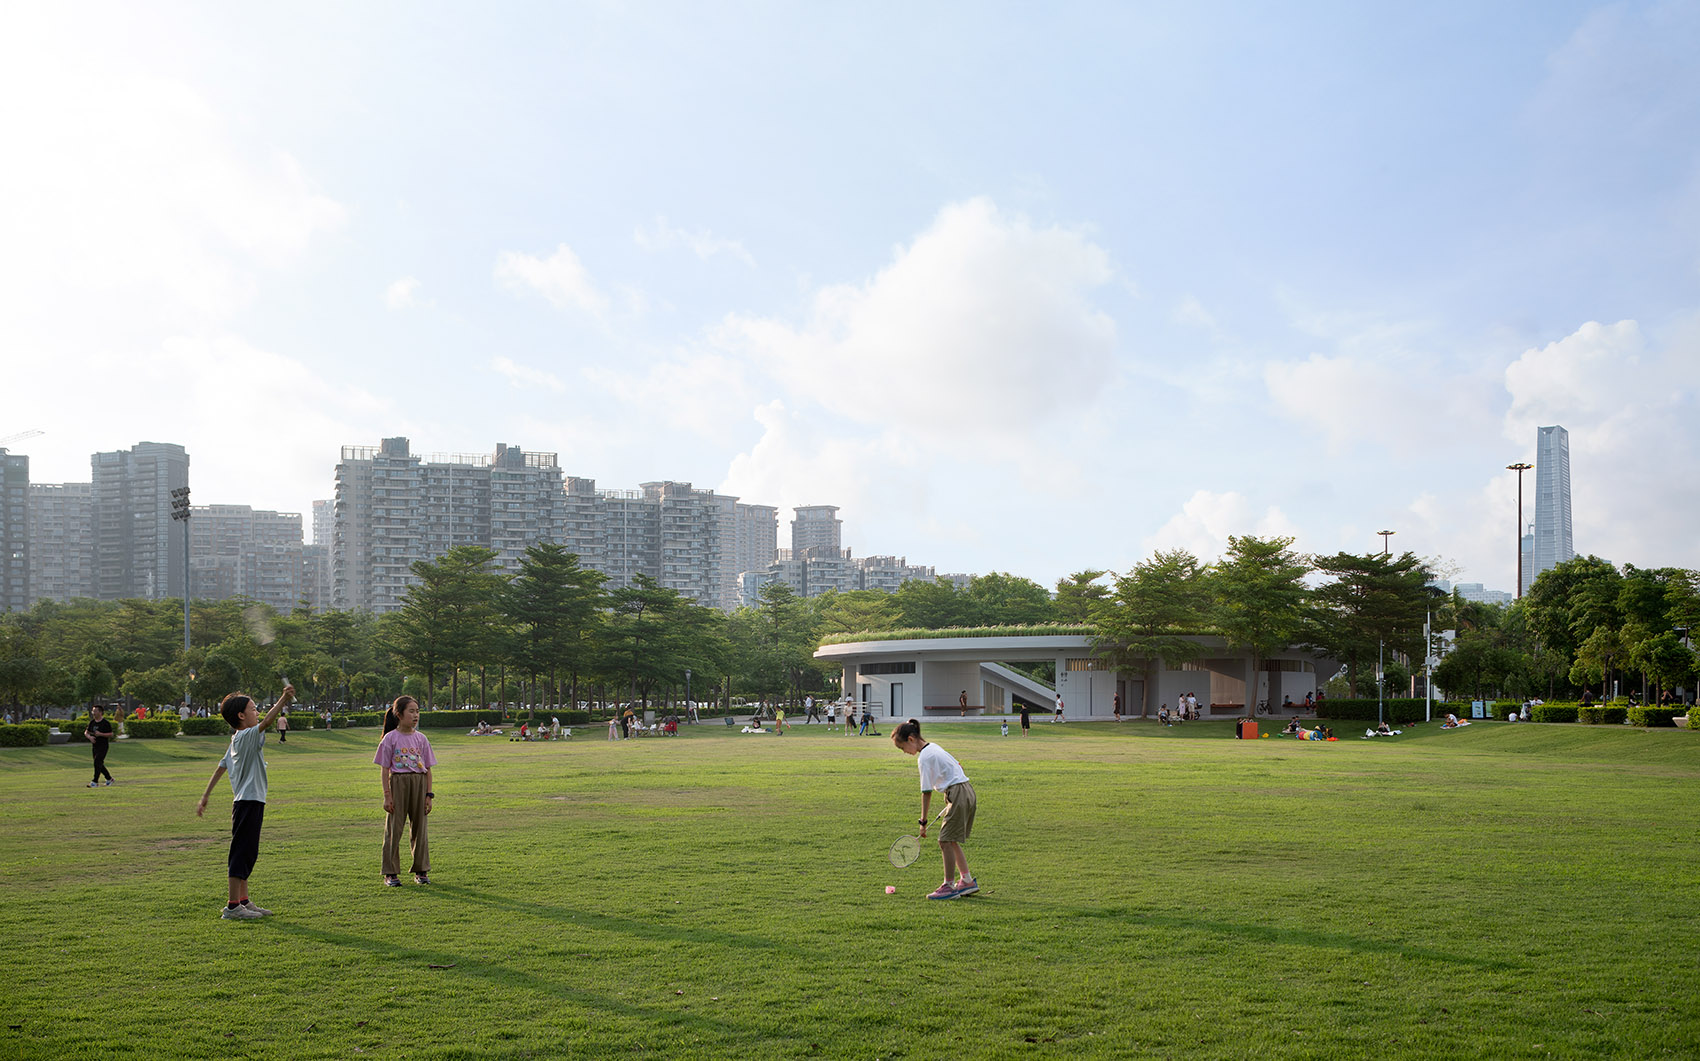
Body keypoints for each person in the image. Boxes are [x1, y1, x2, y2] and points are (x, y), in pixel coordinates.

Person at [195, 685, 295, 920]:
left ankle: (243, 901)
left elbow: (221, 766)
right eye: (253, 708)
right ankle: (232, 907)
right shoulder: (244, 735)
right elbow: (268, 722)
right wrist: (283, 697)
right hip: (247, 802)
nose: (257, 711)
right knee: (241, 853)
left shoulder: (237, 740)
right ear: (241, 716)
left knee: (248, 852)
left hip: (250, 801)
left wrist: (206, 795)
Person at [891, 719, 978, 900]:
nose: (905, 753)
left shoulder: (924, 757)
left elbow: (926, 792)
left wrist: (923, 822)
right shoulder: (933, 747)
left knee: (945, 841)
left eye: (902, 748)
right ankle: (967, 881)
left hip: (959, 793)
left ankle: (948, 886)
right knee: (951, 840)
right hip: (965, 790)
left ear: (911, 739)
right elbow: (957, 767)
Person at [375, 696, 436, 886]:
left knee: (420, 828)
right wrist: (387, 796)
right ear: (399, 714)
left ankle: (421, 869)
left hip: (419, 783)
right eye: (411, 711)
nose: (416, 715)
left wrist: (428, 795)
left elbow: (428, 769)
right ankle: (390, 872)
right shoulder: (390, 738)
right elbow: (385, 769)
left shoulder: (421, 738)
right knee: (394, 829)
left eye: (417, 711)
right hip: (398, 783)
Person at [85, 704, 115, 787]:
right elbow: (86, 732)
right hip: (95, 746)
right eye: (93, 711)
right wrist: (89, 737)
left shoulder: (105, 723)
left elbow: (111, 734)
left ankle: (95, 782)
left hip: (103, 746)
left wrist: (101, 734)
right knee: (98, 763)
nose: (93, 713)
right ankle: (109, 779)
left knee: (97, 762)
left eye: (95, 711)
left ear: (100, 712)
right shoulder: (92, 722)